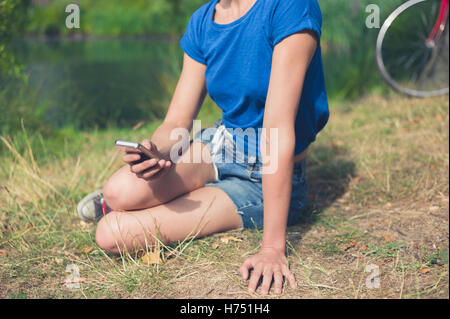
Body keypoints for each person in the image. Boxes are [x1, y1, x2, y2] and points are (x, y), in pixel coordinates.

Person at [77, 0, 329, 295]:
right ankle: (121, 202)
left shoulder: (289, 7)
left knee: (111, 234)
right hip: (223, 144)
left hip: (264, 176)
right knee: (117, 191)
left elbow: (277, 131)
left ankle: (156, 201)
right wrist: (156, 151)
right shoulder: (202, 22)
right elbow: (176, 123)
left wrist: (272, 247)